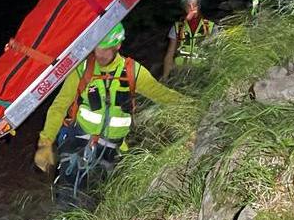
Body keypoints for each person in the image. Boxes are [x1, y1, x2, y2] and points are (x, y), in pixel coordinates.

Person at [34, 23, 186, 204]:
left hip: (113, 150)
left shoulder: (132, 71)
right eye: (97, 49)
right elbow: (59, 107)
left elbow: (162, 94)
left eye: (106, 50)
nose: (100, 55)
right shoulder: (82, 69)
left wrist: (193, 104)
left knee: (101, 204)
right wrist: (45, 143)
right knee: (69, 201)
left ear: (118, 45)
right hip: (79, 143)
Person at [162, 0, 218, 80]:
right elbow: (169, 55)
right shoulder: (177, 28)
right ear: (184, 8)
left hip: (202, 72)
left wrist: (214, 76)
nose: (192, 8)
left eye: (194, 5)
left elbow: (216, 54)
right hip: (180, 71)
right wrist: (165, 78)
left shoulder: (211, 27)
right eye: (188, 6)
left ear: (199, 6)